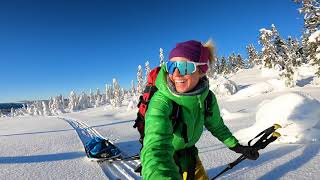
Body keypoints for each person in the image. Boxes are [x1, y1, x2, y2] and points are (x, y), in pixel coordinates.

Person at [140, 40, 259, 180]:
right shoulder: (161, 102)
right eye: (171, 66)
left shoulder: (207, 98)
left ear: (202, 70)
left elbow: (216, 126)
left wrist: (236, 146)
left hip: (189, 154)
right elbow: (156, 149)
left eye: (185, 67)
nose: (176, 74)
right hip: (167, 155)